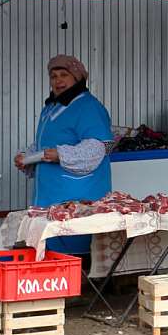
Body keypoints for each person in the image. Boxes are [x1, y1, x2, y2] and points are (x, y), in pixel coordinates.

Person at [16, 55, 113, 255]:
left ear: (77, 78)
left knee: (76, 250)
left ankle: (83, 281)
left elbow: (99, 147)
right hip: (50, 195)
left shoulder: (88, 107)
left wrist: (61, 154)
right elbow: (45, 143)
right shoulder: (52, 107)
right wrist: (27, 156)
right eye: (53, 76)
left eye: (63, 75)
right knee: (51, 249)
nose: (58, 81)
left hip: (77, 194)